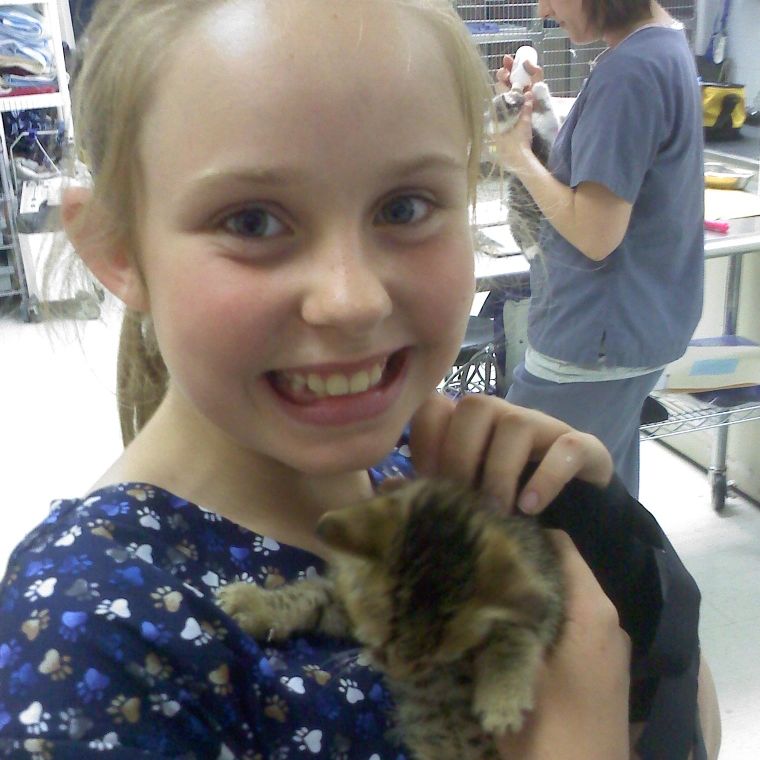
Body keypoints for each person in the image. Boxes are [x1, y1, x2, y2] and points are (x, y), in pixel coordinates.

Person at [0, 1, 717, 758]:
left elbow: (695, 720)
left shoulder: (428, 468)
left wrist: (606, 538)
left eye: (405, 206)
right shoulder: (93, 640)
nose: (352, 300)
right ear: (116, 247)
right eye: (251, 222)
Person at [494, 0, 704, 498]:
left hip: (592, 342)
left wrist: (517, 156)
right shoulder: (662, 49)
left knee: (525, 505)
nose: (544, 9)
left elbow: (594, 233)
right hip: (637, 328)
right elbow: (601, 178)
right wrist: (539, 113)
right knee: (603, 500)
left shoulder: (628, 73)